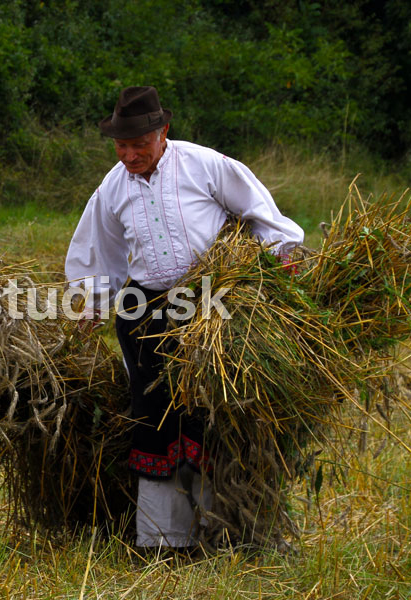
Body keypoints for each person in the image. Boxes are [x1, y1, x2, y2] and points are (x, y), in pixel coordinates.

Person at [65, 86, 303, 551]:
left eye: (139, 144)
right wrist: (92, 303)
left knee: (211, 416)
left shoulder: (205, 165)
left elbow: (259, 212)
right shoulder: (112, 187)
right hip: (144, 317)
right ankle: (163, 540)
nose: (129, 155)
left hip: (210, 311)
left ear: (163, 133)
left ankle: (223, 531)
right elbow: (99, 249)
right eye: (121, 146)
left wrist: (280, 257)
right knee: (155, 418)